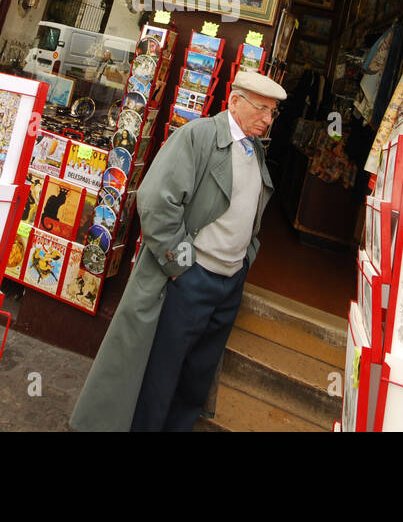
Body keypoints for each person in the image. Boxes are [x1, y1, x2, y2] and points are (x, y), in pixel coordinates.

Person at [70, 70, 286, 432]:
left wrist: (244, 260)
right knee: (163, 371)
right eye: (262, 108)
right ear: (234, 101)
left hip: (229, 282)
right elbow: (155, 202)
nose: (268, 119)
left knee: (196, 375)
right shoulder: (199, 136)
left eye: (273, 112)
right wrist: (183, 266)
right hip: (192, 277)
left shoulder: (255, 150)